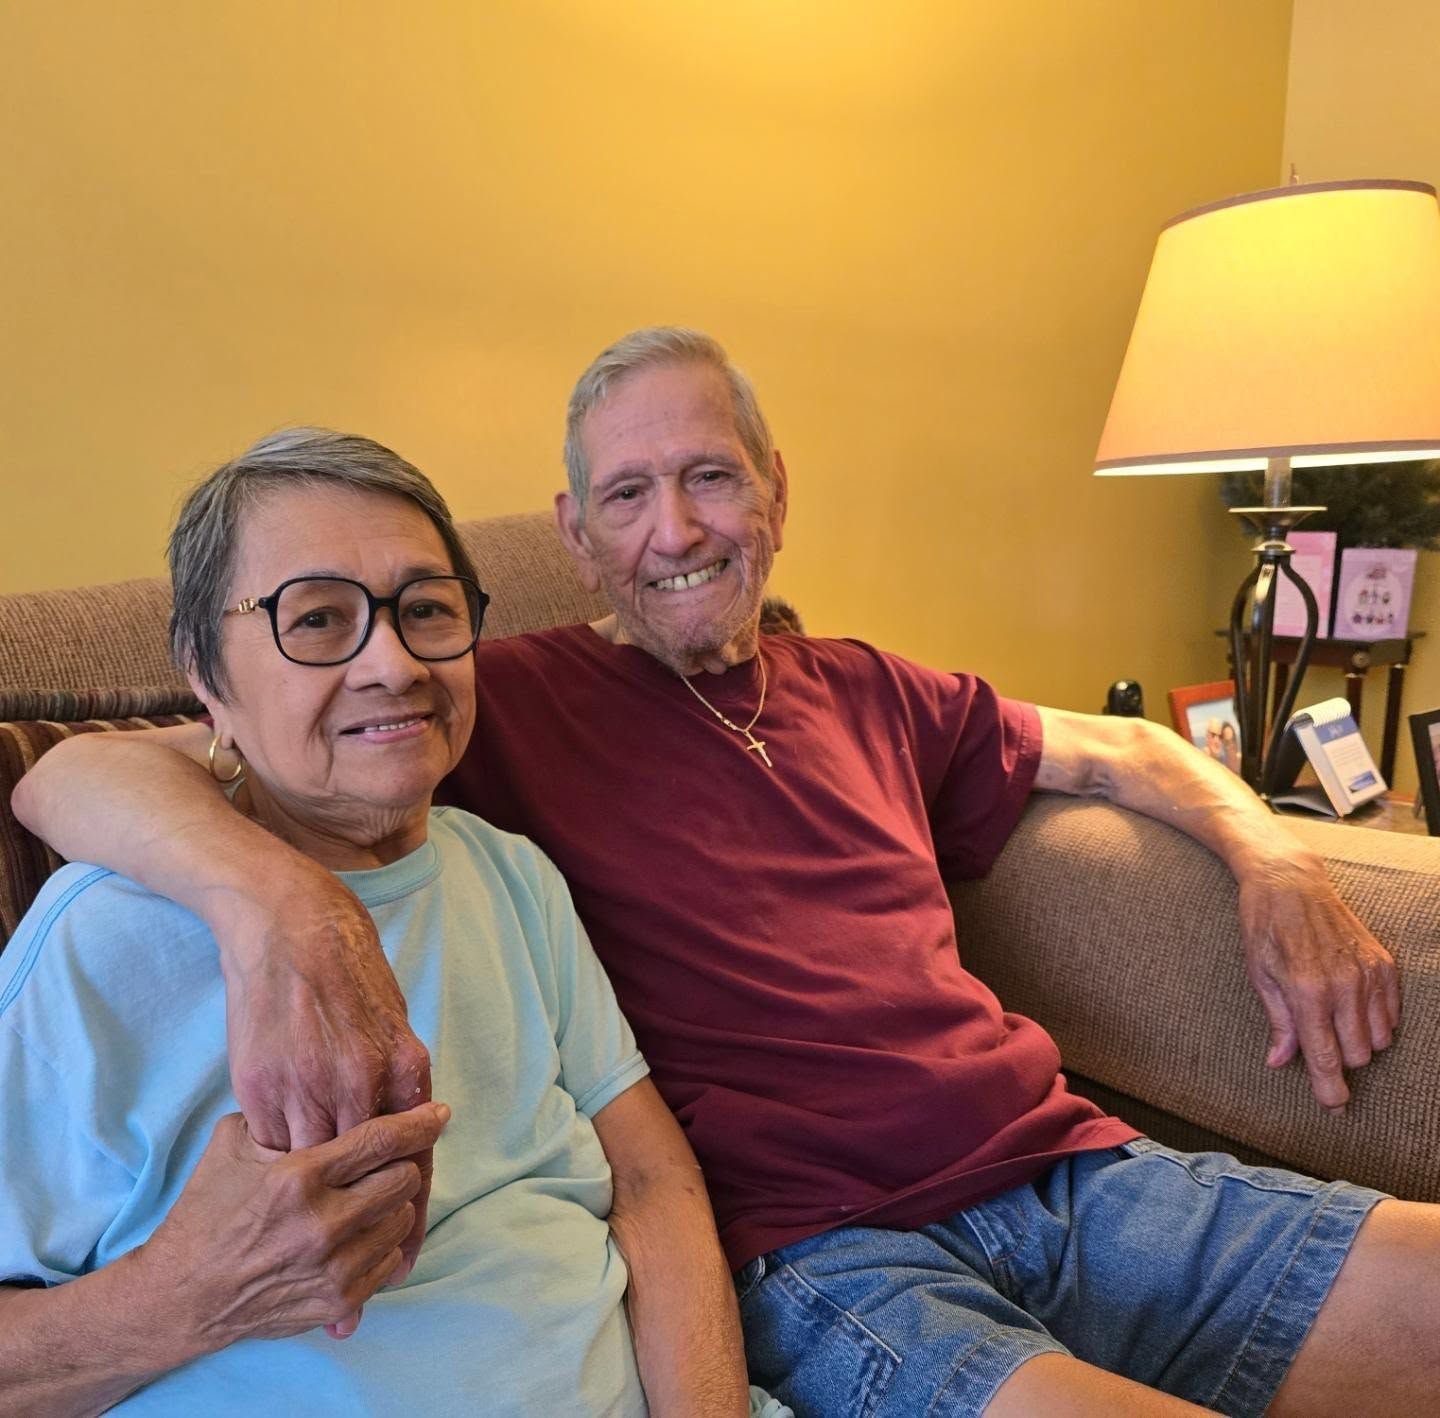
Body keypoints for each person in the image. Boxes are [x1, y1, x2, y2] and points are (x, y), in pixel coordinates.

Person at [15, 331, 1438, 1416]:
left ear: (773, 493)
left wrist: (1273, 861)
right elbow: (65, 767)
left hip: (1068, 1169)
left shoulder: (856, 693)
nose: (678, 528)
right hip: (824, 1250)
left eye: (708, 476)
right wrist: (271, 897)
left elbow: (1119, 747)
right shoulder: (476, 703)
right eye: (627, 492)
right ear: (574, 538)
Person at [0, 429, 753, 1415]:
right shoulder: (98, 939)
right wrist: (190, 1292)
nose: (394, 663)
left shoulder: (513, 875)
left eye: (428, 609)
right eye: (316, 619)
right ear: (203, 674)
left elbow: (653, 1185)